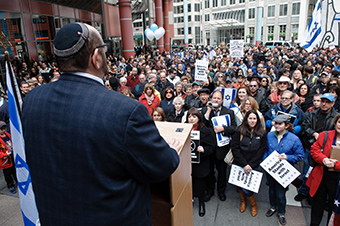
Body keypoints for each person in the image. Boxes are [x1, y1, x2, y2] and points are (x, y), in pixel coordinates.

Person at [22, 23, 181, 226]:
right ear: (96, 57)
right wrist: (172, 152)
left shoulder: (32, 100)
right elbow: (161, 165)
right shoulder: (125, 110)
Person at [263, 114, 304, 225]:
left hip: (283, 171)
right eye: (275, 123)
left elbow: (300, 155)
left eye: (279, 124)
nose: (276, 126)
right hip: (271, 169)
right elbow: (266, 150)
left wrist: (287, 157)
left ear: (286, 125)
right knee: (271, 190)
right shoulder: (270, 135)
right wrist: (265, 161)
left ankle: (281, 212)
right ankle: (273, 207)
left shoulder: (294, 139)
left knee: (281, 194)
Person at [296, 93, 337, 202]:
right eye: (322, 101)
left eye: (327, 102)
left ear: (332, 104)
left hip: (327, 150)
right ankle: (304, 191)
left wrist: (324, 138)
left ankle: (321, 197)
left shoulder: (335, 117)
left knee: (323, 175)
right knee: (306, 172)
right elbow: (305, 127)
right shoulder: (312, 114)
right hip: (311, 146)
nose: (323, 104)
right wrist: (314, 134)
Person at [201, 90, 237, 202]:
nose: (216, 100)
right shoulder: (205, 110)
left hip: (222, 147)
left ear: (222, 100)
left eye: (218, 98)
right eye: (214, 98)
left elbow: (234, 128)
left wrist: (223, 129)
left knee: (222, 171)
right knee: (209, 171)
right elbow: (202, 124)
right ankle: (210, 190)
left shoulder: (229, 112)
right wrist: (208, 111)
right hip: (209, 147)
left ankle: (221, 191)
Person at [231, 110, 266, 217]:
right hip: (240, 163)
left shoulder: (262, 132)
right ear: (246, 119)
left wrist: (250, 165)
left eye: (254, 119)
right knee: (240, 184)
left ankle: (253, 204)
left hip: (253, 165)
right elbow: (235, 148)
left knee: (248, 187)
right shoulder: (239, 130)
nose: (252, 121)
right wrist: (244, 164)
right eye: (250, 118)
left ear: (257, 120)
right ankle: (243, 201)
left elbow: (261, 150)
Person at [307, 114, 340, 226]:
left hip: (338, 180)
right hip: (322, 175)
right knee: (317, 205)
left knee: (334, 208)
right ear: (335, 122)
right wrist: (324, 159)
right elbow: (314, 150)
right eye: (339, 122)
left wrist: (335, 165)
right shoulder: (325, 135)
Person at [186, 107, 214, 217]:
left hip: (200, 163)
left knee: (200, 185)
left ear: (199, 118)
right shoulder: (183, 128)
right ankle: (190, 200)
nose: (191, 119)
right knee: (188, 184)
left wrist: (204, 150)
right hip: (187, 163)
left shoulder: (205, 131)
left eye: (194, 117)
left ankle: (201, 203)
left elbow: (211, 148)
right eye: (189, 116)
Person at [0, 121, 17, 194]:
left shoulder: (8, 135)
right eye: (2, 129)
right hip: (5, 161)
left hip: (11, 157)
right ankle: (10, 185)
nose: (4, 130)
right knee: (7, 174)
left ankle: (17, 181)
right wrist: (5, 154)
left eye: (5, 128)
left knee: (14, 171)